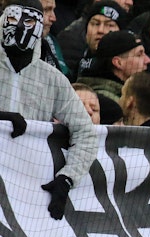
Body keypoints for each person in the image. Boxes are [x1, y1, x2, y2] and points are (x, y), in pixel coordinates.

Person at [0, 0, 98, 220]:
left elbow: (86, 133)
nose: (19, 28)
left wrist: (67, 178)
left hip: (25, 194)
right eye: (14, 19)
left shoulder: (52, 80)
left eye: (29, 22)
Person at [77, 30, 150, 103]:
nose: (148, 60)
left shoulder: (125, 93)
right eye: (139, 55)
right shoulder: (107, 102)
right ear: (118, 63)